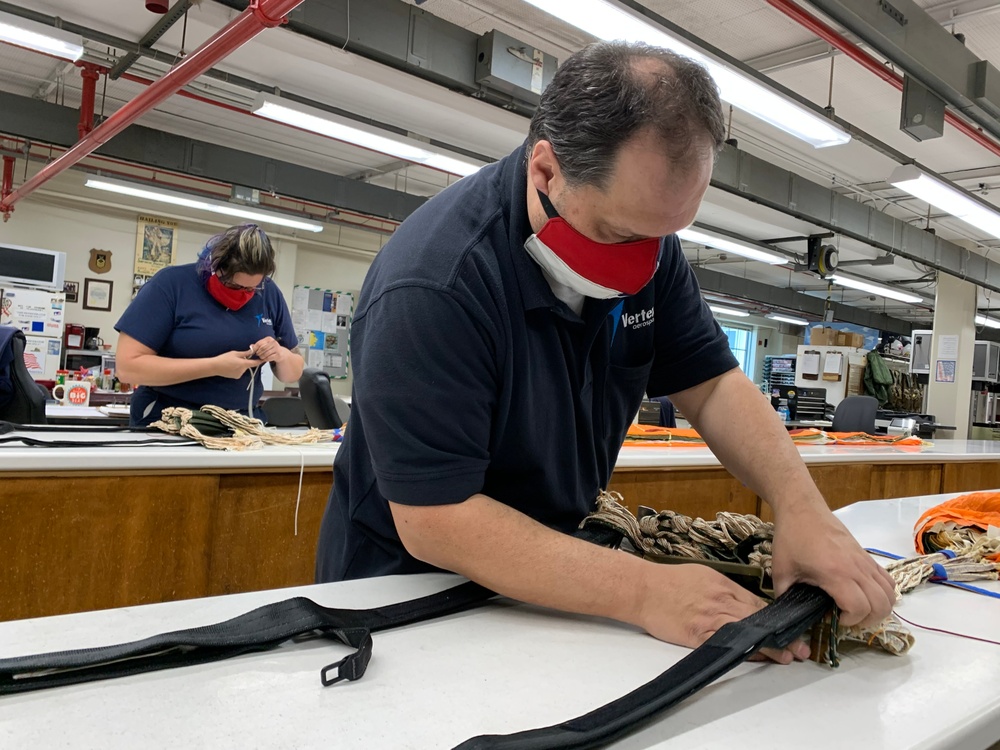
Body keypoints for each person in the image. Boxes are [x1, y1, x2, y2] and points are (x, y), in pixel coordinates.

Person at [315, 42, 895, 663]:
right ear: (546, 171)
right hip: (407, 599)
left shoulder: (646, 236)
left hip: (557, 582)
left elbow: (712, 382)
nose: (643, 264)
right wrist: (647, 591)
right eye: (621, 235)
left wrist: (801, 508)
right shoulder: (434, 286)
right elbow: (436, 518)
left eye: (664, 236)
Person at [115, 224, 304, 427]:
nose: (244, 294)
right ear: (213, 266)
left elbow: (293, 372)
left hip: (239, 423)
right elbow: (128, 368)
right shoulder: (171, 285)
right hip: (169, 420)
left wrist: (280, 355)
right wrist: (214, 366)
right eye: (234, 285)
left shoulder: (270, 293)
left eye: (252, 288)